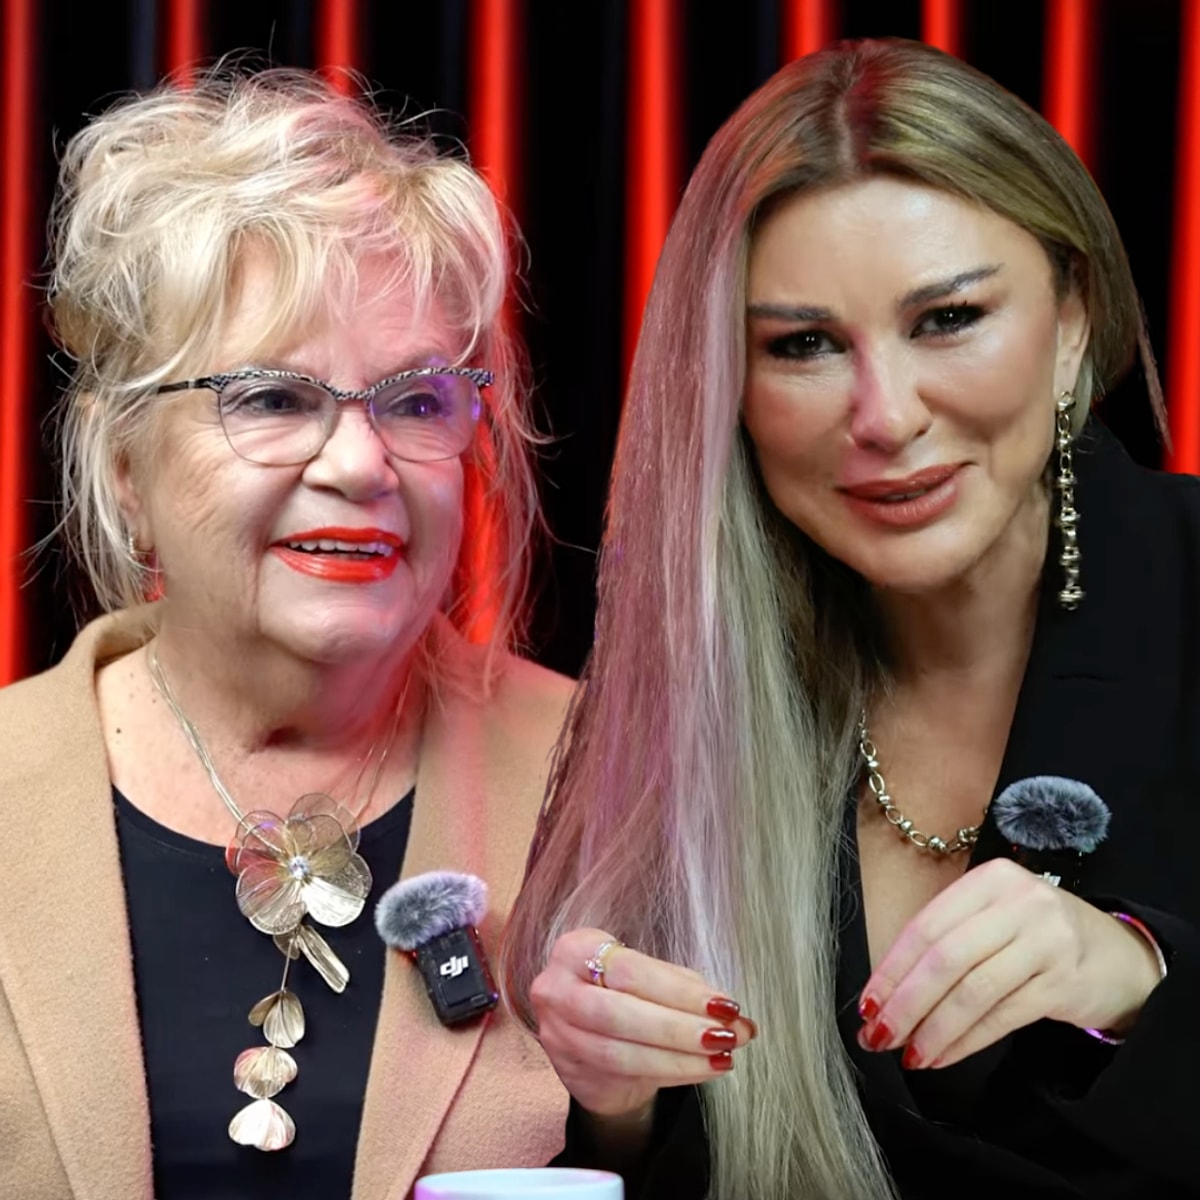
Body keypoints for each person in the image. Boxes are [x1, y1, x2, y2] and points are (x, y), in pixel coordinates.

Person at [503, 37, 1200, 1200]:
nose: (884, 415)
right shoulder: (698, 674)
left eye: (948, 319)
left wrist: (1138, 981)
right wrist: (618, 1103)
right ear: (726, 385)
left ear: (1072, 321)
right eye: (805, 345)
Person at [0, 68, 571, 1199]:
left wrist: (646, 1110)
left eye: (416, 400)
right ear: (125, 469)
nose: (360, 464)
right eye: (270, 397)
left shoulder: (607, 780)